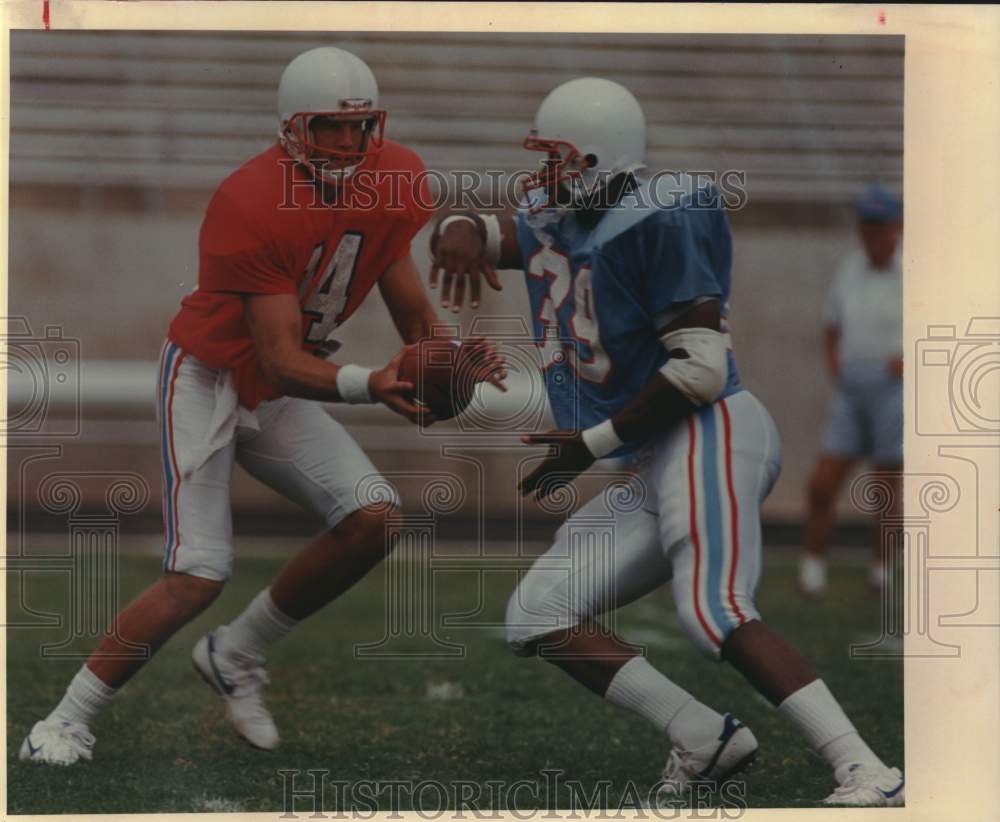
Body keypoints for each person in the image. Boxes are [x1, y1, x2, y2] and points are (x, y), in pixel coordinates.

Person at [20, 46, 503, 766]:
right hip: (210, 378)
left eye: (360, 127)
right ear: (290, 129)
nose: (348, 144)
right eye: (328, 129)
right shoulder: (250, 199)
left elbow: (405, 295)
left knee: (374, 520)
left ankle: (236, 653)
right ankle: (62, 722)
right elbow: (276, 357)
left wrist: (448, 357)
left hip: (281, 385)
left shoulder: (396, 176)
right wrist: (371, 384)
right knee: (198, 573)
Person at [429, 77, 904, 806]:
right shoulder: (567, 218)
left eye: (557, 159)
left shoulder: (659, 221)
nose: (544, 176)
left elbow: (703, 371)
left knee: (712, 608)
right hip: (655, 454)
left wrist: (590, 443)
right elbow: (488, 236)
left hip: (708, 430)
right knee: (538, 613)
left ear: (597, 162)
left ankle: (864, 768)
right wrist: (453, 228)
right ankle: (702, 735)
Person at [799, 185, 903, 598]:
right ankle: (812, 568)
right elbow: (831, 326)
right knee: (822, 483)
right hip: (852, 385)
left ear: (895, 228)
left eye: (881, 226)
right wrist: (836, 365)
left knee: (885, 488)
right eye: (867, 226)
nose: (874, 234)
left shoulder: (914, 270)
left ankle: (881, 570)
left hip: (893, 387)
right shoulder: (849, 269)